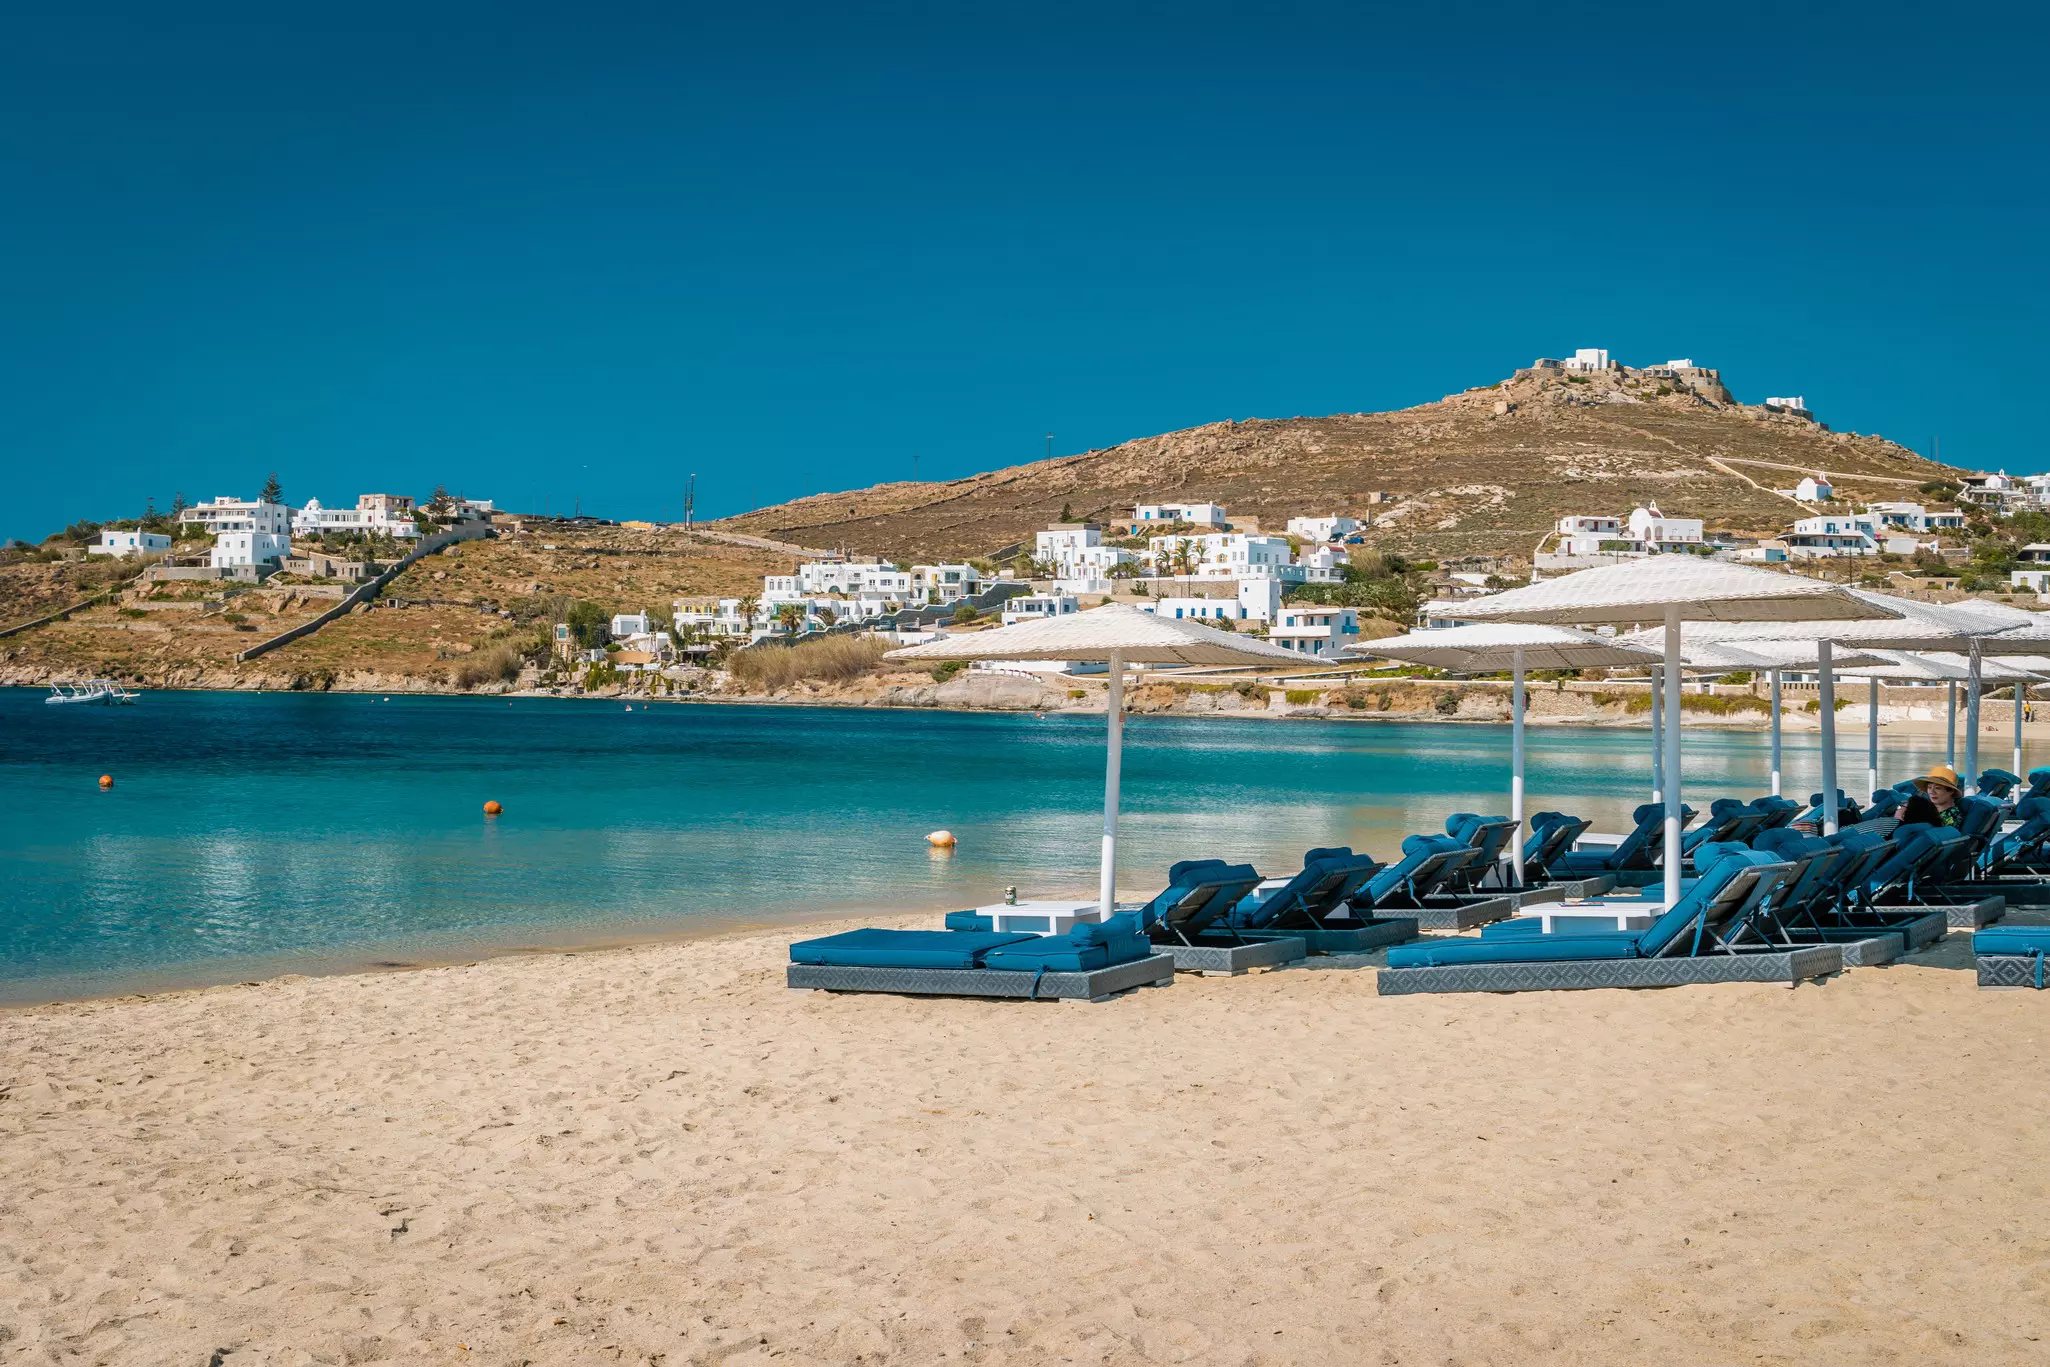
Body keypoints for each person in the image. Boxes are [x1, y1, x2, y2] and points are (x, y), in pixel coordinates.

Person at [1898, 763, 1965, 829]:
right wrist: (1904, 807)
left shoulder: (1952, 816)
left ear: (1951, 791)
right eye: (1929, 787)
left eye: (1937, 788)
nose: (1932, 792)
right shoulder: (1928, 807)